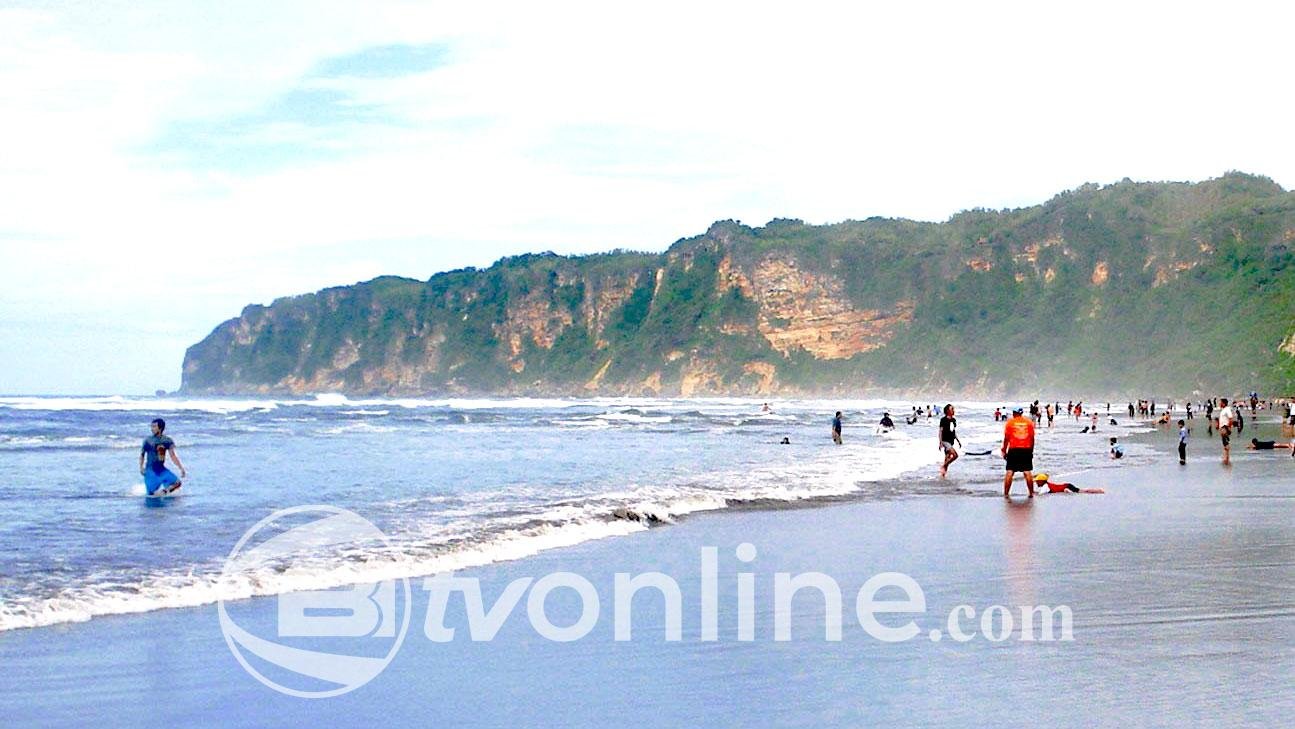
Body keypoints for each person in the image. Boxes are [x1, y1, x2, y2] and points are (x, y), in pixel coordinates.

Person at [139, 418, 186, 495]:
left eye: (154, 427)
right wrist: (141, 467)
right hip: (151, 470)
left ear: (160, 428)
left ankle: (164, 492)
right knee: (151, 494)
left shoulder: (167, 440)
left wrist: (181, 468)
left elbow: (173, 456)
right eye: (151, 427)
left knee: (177, 483)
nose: (152, 429)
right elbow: (142, 454)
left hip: (161, 469)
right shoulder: (148, 440)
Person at [1001, 406, 1036, 497]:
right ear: (1021, 413)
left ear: (1014, 413)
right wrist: (1031, 450)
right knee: (1027, 471)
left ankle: (1006, 493)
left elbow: (1006, 438)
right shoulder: (1029, 422)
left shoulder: (1010, 423)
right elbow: (1032, 438)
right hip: (1026, 448)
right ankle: (1031, 493)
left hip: (1014, 448)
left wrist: (1004, 450)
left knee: (1010, 471)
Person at [938, 404, 961, 479]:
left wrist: (958, 440)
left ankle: (942, 476)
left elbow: (953, 431)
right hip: (945, 441)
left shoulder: (953, 420)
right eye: (952, 409)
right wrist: (940, 442)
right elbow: (940, 431)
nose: (953, 411)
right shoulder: (943, 420)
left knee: (947, 457)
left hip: (951, 441)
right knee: (955, 455)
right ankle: (943, 466)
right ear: (947, 411)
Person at [1033, 473, 1105, 494]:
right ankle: (1099, 490)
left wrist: (1033, 493)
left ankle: (1099, 491)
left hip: (1066, 488)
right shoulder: (1046, 485)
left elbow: (1041, 494)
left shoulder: (1045, 487)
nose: (1036, 483)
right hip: (1066, 486)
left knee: (1082, 492)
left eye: (1037, 481)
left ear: (1041, 481)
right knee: (1082, 490)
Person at [1217, 398, 1235, 465]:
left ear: (1224, 403)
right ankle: (1225, 456)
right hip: (1222, 428)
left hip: (1225, 427)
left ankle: (1227, 457)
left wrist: (1228, 427)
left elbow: (1231, 419)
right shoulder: (1223, 410)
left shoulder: (1227, 409)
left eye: (1220, 402)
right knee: (1224, 442)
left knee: (1225, 442)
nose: (1219, 404)